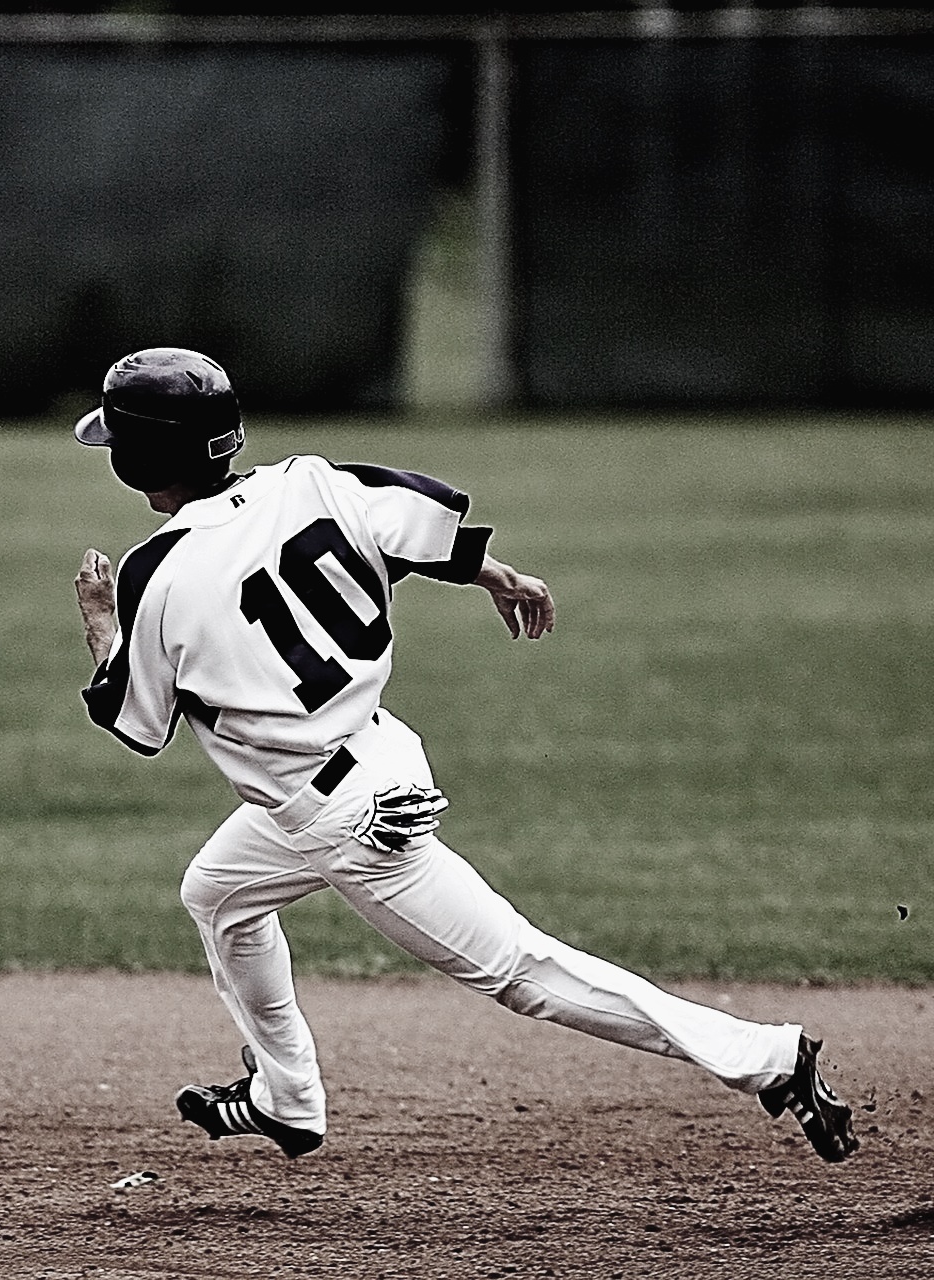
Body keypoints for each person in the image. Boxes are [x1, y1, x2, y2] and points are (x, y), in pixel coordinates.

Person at [69, 346, 859, 1164]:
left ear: (136, 458)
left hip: (339, 818)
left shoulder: (153, 574)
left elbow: (137, 722)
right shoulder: (310, 481)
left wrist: (102, 621)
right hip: (368, 761)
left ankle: (767, 1058)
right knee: (219, 895)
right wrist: (496, 575)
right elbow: (417, 525)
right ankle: (288, 1099)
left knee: (523, 971)